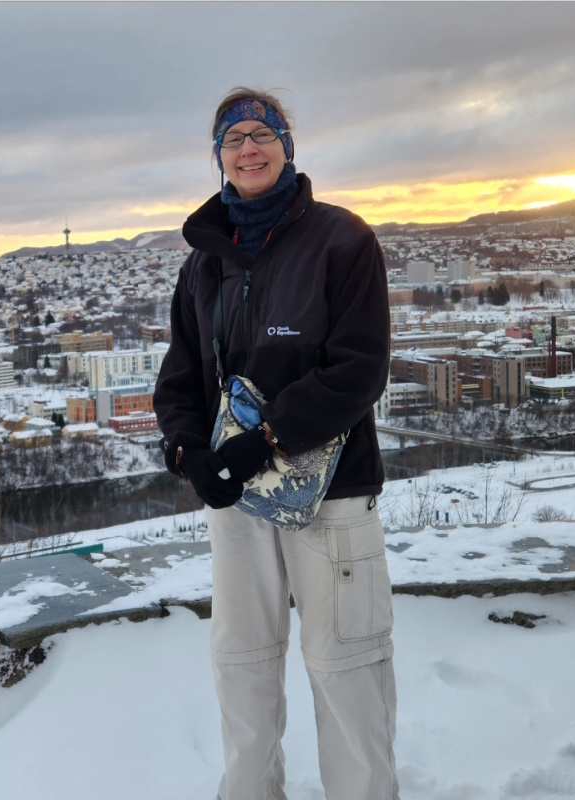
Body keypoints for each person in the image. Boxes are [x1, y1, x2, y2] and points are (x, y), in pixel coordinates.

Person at [153, 88, 399, 800]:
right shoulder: (204, 263)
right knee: (243, 661)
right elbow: (181, 376)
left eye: (262, 133)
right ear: (219, 157)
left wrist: (268, 438)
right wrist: (187, 451)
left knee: (346, 665)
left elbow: (360, 369)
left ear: (287, 147)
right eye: (233, 139)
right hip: (238, 500)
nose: (248, 148)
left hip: (333, 492)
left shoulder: (342, 240)